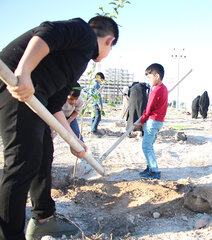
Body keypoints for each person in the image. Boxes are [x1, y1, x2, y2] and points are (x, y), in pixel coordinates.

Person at [0, 15, 118, 240]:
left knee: (43, 155)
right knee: (21, 164)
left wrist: (74, 141)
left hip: (37, 100)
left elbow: (55, 106)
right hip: (16, 88)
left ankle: (44, 218)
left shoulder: (77, 61)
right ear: (109, 41)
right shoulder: (83, 32)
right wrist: (23, 72)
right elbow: (47, 33)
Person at [134, 63, 168, 180]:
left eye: (149, 77)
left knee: (146, 146)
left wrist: (141, 121)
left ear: (157, 76)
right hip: (159, 122)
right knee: (150, 145)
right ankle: (149, 168)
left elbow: (148, 108)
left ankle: (154, 171)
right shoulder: (163, 88)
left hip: (153, 121)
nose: (147, 80)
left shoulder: (155, 90)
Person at [90, 72, 104, 136]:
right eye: (102, 80)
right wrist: (100, 105)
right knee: (98, 117)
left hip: (92, 103)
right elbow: (98, 96)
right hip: (96, 103)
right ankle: (93, 131)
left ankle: (92, 130)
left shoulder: (92, 83)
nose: (102, 81)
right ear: (98, 78)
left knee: (94, 116)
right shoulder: (97, 85)